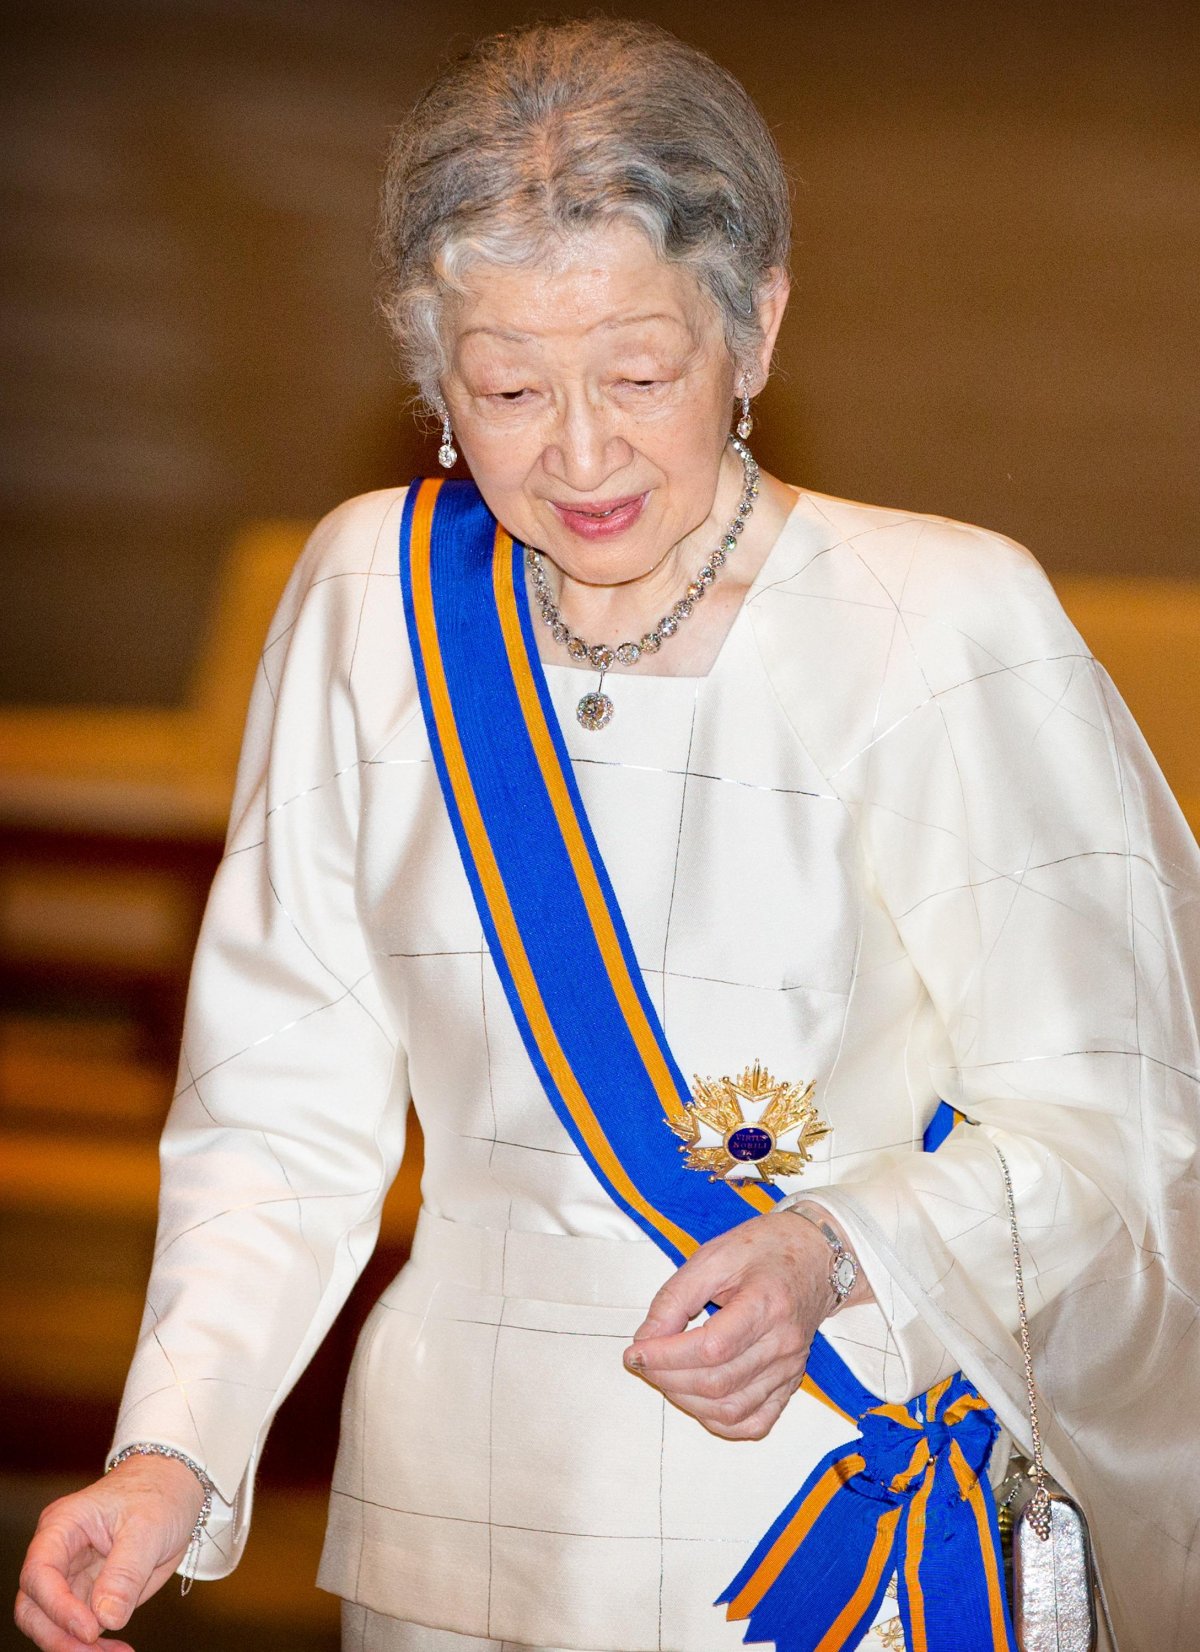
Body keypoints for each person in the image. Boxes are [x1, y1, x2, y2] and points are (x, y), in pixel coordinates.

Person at [14, 19, 1200, 1652]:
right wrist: (173, 1446)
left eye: (638, 377)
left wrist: (835, 1252)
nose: (577, 454)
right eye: (506, 387)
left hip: (819, 1524)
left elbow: (1118, 1125)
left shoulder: (939, 616)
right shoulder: (372, 599)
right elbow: (277, 1115)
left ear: (756, 327)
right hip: (450, 1542)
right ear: (431, 368)